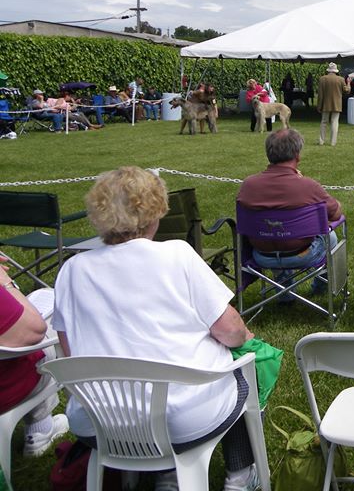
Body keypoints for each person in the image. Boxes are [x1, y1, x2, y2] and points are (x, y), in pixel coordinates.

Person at [52, 167, 261, 491]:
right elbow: (230, 330)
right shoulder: (176, 255)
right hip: (180, 418)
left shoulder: (71, 270)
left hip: (96, 419)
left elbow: (70, 351)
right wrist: (241, 338)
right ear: (154, 212)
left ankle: (159, 474)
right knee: (239, 367)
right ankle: (240, 475)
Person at [238, 129, 344, 296]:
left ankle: (284, 294)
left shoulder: (248, 185)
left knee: (275, 234)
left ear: (268, 154)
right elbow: (336, 215)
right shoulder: (309, 186)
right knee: (331, 237)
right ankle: (320, 288)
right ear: (297, 155)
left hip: (262, 255)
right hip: (302, 255)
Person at [1, 264, 69, 461]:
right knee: (54, 319)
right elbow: (35, 330)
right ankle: (41, 428)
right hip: (9, 390)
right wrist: (6, 283)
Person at [316, 63, 350, 146]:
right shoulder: (341, 79)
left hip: (325, 104)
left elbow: (320, 94)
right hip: (337, 104)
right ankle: (333, 142)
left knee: (324, 122)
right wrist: (348, 83)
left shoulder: (322, 79)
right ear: (336, 70)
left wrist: (319, 106)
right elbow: (347, 91)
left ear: (328, 70)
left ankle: (321, 141)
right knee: (334, 122)